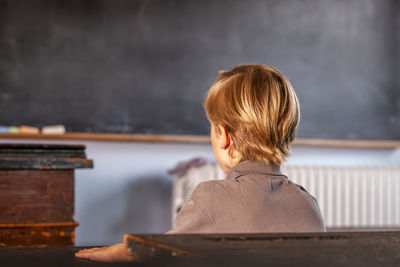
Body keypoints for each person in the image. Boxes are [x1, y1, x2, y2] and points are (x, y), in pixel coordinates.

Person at [75, 64, 325, 262]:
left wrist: (119, 252)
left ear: (223, 136)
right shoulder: (307, 204)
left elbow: (162, 252)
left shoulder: (211, 197)